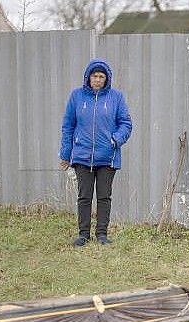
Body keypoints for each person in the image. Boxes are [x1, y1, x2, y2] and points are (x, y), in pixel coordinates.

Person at [59, 59, 132, 246]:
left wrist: (115, 139)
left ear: (106, 79)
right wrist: (65, 155)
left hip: (107, 157)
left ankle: (102, 235)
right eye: (94, 76)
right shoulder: (77, 96)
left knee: (104, 197)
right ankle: (83, 235)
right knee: (84, 197)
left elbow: (126, 123)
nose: (98, 79)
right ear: (88, 77)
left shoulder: (117, 97)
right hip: (82, 156)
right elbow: (68, 126)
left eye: (101, 76)